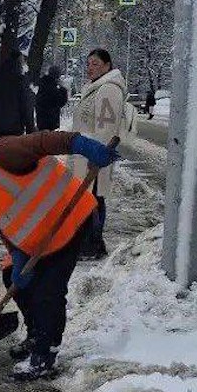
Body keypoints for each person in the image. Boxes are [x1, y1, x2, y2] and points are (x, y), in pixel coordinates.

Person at [0, 124, 118, 380]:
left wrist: (81, 145)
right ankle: (35, 335)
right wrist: (17, 256)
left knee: (48, 291)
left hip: (70, 220)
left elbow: (43, 141)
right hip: (39, 238)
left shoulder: (1, 154)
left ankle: (45, 355)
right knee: (11, 277)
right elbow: (7, 225)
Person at [71, 48, 126, 260]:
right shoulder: (96, 87)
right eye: (88, 63)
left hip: (94, 155)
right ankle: (92, 244)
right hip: (87, 152)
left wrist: (97, 156)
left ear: (107, 65)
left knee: (92, 199)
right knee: (90, 198)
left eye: (95, 64)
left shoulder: (109, 89)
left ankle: (91, 246)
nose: (90, 68)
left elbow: (107, 127)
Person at [0, 48, 32, 138]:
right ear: (18, 62)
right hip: (15, 128)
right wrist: (29, 128)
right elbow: (25, 106)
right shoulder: (20, 81)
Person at [35, 66, 68, 131]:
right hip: (50, 122)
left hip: (41, 120)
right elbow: (61, 102)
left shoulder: (42, 84)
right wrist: (63, 89)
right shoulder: (53, 88)